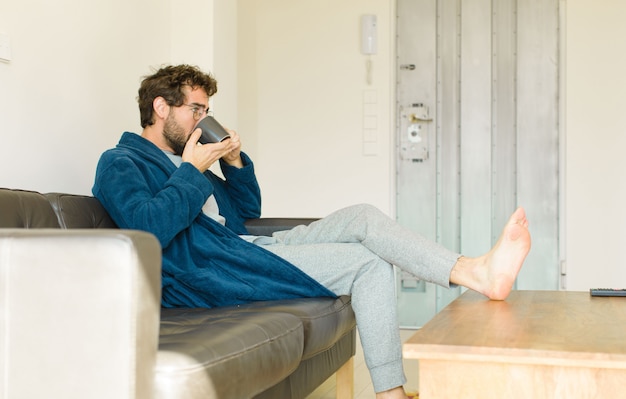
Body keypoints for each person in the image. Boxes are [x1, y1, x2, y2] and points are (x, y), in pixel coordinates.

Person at [93, 64, 531, 399]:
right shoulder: (121, 162)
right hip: (216, 268)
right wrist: (191, 170)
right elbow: (147, 228)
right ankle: (392, 393)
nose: (204, 121)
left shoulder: (194, 160)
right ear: (161, 107)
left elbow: (246, 212)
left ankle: (472, 270)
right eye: (196, 110)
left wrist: (233, 162)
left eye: (208, 112)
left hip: (247, 245)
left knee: (361, 215)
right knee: (365, 264)